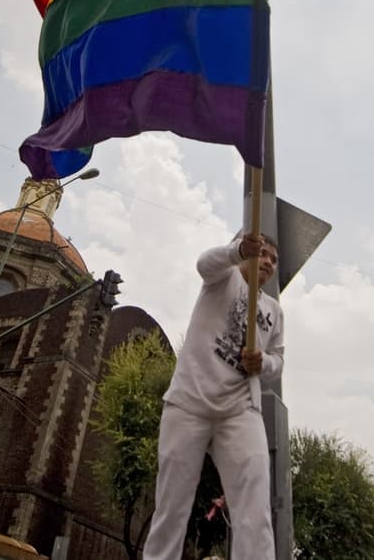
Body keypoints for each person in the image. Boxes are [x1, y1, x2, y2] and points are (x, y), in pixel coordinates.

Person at [142, 232, 284, 560]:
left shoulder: (274, 311)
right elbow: (204, 263)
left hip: (240, 410)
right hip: (188, 402)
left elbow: (278, 360)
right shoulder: (223, 276)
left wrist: (263, 362)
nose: (267, 262)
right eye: (262, 253)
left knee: (255, 507)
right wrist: (237, 251)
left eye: (274, 260)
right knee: (172, 505)